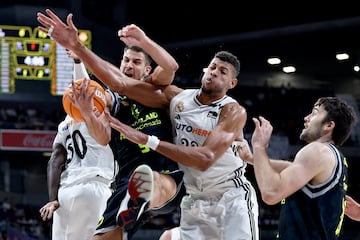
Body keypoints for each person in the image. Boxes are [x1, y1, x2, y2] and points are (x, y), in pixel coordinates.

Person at [37, 9, 186, 240]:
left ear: (147, 70)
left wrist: (144, 40)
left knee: (153, 179)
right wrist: (87, 112)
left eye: (136, 62)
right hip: (124, 185)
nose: (128, 65)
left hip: (164, 173)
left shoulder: (156, 91)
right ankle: (133, 203)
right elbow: (102, 136)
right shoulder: (113, 100)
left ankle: (143, 194)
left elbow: (170, 67)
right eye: (125, 60)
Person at [238, 97, 357, 239]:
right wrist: (252, 158)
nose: (306, 118)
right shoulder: (335, 157)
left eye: (314, 113)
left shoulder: (317, 151)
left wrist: (259, 147)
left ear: (329, 125)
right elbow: (292, 168)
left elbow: (271, 193)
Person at [39, 72, 118, 239]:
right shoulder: (106, 116)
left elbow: (55, 162)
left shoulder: (64, 125)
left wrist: (53, 199)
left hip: (66, 192)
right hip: (97, 187)